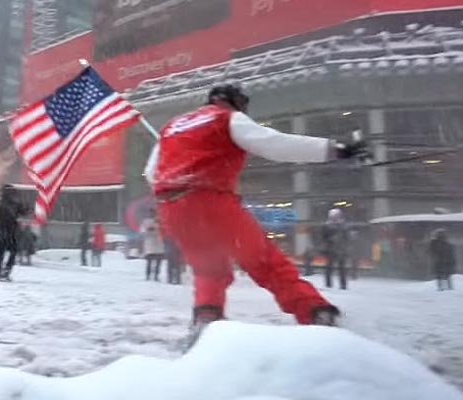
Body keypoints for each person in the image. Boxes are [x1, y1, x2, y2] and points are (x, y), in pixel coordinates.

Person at [145, 84, 368, 338]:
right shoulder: (226, 118)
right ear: (236, 102)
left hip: (173, 208)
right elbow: (275, 145)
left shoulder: (171, 127)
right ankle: (316, 313)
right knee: (265, 261)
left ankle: (206, 320)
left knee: (208, 267)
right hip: (211, 200)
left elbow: (152, 174)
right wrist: (336, 150)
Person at [0, 184, 30, 281]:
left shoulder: (12, 203)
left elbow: (23, 212)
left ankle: (4, 271)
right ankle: (1, 271)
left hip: (7, 231)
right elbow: (9, 211)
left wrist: (26, 206)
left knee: (9, 252)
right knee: (3, 253)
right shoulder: (1, 202)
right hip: (4, 230)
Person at [322, 208, 349, 290]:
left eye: (336, 216)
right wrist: (329, 240)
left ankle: (343, 284)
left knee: (342, 268)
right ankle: (328, 284)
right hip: (331, 249)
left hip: (341, 249)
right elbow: (323, 238)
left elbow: (347, 238)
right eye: (333, 216)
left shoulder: (344, 226)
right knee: (329, 267)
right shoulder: (327, 226)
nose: (335, 218)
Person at [142, 213, 164, 281]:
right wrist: (149, 230)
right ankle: (148, 276)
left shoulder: (161, 222)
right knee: (149, 262)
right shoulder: (146, 222)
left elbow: (164, 231)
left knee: (158, 262)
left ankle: (156, 276)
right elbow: (143, 232)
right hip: (150, 245)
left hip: (159, 245)